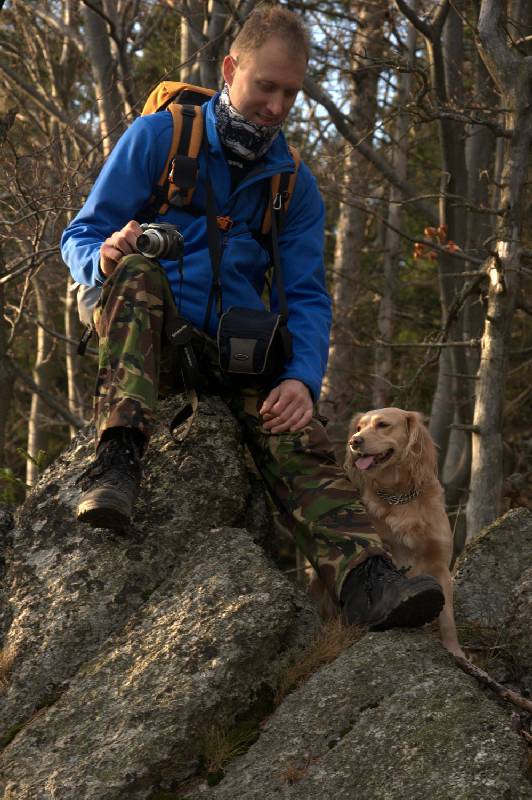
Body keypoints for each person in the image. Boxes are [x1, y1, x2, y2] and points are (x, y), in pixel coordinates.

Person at [61, 6, 444, 630]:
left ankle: (368, 579)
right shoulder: (160, 137)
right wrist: (99, 256)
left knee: (297, 430)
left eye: (290, 92)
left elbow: (308, 296)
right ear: (230, 68)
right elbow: (81, 232)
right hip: (149, 340)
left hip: (233, 353)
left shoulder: (292, 184)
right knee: (133, 272)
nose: (276, 105)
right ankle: (117, 461)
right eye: (266, 85)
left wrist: (300, 379)